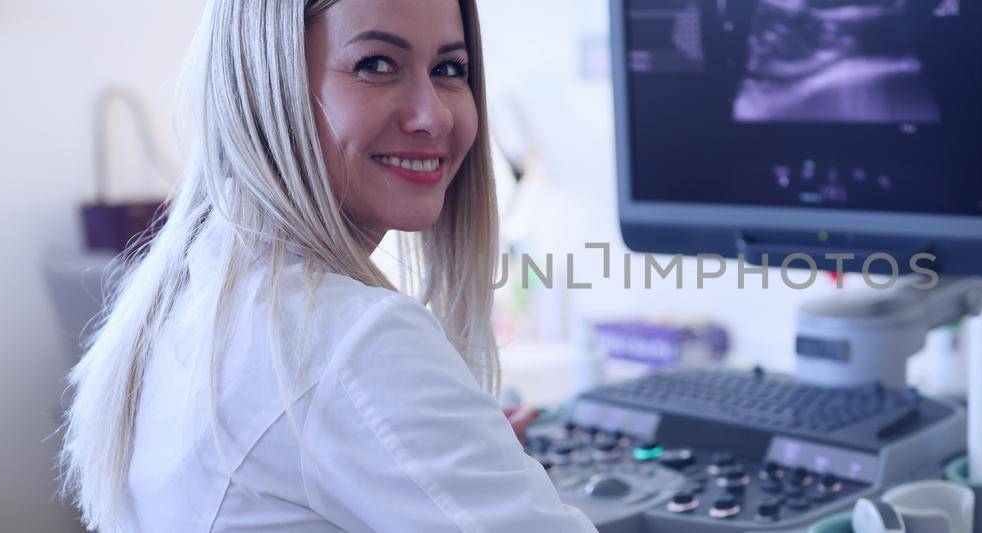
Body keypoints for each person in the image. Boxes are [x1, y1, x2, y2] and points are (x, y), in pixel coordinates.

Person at [58, 0, 597, 531]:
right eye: (376, 65)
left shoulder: (198, 284)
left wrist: (455, 454)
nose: (433, 115)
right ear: (267, 87)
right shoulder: (356, 337)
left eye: (449, 69)